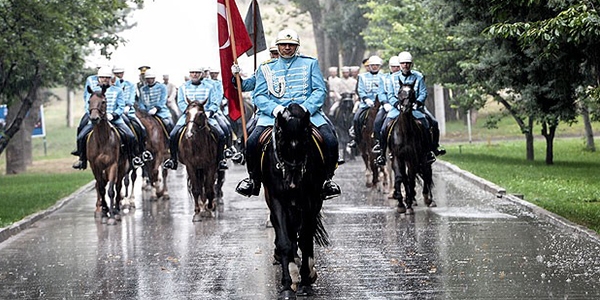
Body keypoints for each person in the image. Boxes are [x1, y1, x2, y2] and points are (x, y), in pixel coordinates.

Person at [235, 28, 341, 199]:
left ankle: (327, 180)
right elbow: (259, 95)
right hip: (273, 116)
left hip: (307, 114)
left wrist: (305, 109)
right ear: (278, 46)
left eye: (291, 45)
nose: (287, 48)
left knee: (330, 139)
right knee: (252, 142)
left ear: (296, 46)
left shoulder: (310, 63)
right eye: (283, 44)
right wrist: (275, 109)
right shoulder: (266, 68)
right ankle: (253, 180)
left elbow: (319, 91)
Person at [375, 51, 446, 166]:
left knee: (431, 123)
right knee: (383, 128)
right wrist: (396, 104)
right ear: (400, 64)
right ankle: (382, 155)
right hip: (397, 109)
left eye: (408, 63)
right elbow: (391, 94)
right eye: (403, 63)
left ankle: (431, 150)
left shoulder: (418, 76)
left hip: (415, 108)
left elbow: (423, 92)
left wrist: (417, 103)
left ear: (411, 64)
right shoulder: (393, 78)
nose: (405, 65)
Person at [72, 67, 143, 170]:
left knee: (130, 136)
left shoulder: (117, 90)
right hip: (96, 118)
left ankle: (133, 157)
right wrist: (92, 114)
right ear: (98, 78)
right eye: (102, 77)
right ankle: (82, 159)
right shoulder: (93, 91)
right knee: (81, 135)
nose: (104, 79)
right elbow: (88, 103)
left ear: (111, 78)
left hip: (115, 119)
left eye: (107, 77)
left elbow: (121, 106)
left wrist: (113, 115)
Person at [163, 67, 229, 171]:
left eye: (197, 73)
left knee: (221, 133)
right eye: (192, 72)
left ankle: (221, 159)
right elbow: (181, 102)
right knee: (173, 135)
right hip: (188, 116)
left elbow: (214, 102)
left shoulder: (209, 87)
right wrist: (189, 112)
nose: (194, 75)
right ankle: (173, 160)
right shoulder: (183, 87)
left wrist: (210, 111)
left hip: (205, 115)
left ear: (201, 74)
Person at [113, 66, 152, 162]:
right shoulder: (110, 86)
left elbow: (131, 97)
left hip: (128, 112)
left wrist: (128, 106)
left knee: (141, 129)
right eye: (116, 73)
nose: (119, 75)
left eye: (120, 73)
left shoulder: (130, 85)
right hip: (113, 113)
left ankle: (142, 152)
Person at [347, 55, 384, 148]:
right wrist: (366, 99)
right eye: (373, 65)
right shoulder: (362, 76)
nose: (375, 67)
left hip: (381, 103)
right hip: (366, 104)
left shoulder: (384, 77)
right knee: (356, 118)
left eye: (377, 65)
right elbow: (360, 90)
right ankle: (356, 138)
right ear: (369, 66)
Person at [137, 71, 174, 159]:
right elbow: (141, 102)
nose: (149, 80)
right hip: (146, 114)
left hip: (161, 112)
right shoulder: (142, 89)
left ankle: (170, 147)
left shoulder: (162, 87)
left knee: (169, 124)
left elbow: (163, 99)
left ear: (154, 78)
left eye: (150, 78)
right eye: (147, 79)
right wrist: (144, 111)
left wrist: (156, 108)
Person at [372, 56, 401, 154]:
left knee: (429, 121)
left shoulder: (407, 77)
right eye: (393, 67)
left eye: (398, 66)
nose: (396, 69)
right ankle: (380, 145)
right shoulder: (384, 78)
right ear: (389, 67)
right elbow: (381, 92)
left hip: (407, 106)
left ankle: (430, 148)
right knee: (378, 122)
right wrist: (385, 103)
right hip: (389, 106)